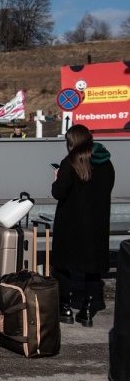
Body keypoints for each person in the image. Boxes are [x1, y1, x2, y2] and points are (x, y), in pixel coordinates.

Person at [51, 124, 115, 327]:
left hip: (70, 224)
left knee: (62, 266)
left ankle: (65, 308)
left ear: (72, 142)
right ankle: (87, 311)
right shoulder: (106, 163)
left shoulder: (70, 163)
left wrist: (57, 178)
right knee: (92, 269)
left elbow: (59, 193)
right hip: (96, 225)